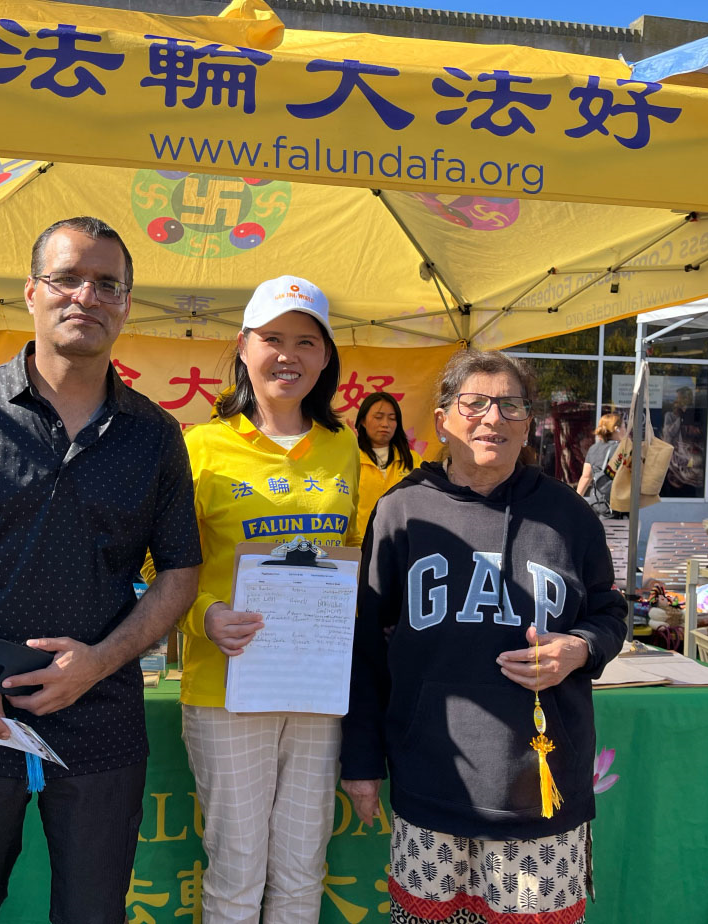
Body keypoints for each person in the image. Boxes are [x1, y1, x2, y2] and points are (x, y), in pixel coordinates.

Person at [0, 216, 201, 924]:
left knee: (94, 911)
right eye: (67, 278)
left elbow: (180, 573)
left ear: (125, 304)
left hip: (101, 713)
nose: (87, 296)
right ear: (31, 292)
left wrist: (101, 661)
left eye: (107, 284)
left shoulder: (154, 435)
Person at [339, 349, 625, 924]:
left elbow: (609, 612)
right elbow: (365, 648)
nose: (492, 418)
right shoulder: (401, 512)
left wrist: (581, 648)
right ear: (443, 419)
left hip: (540, 786)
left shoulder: (570, 515)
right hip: (431, 777)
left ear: (528, 422)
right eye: (474, 403)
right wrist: (362, 762)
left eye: (510, 405)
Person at [179, 275, 361, 924]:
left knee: (302, 870)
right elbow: (157, 563)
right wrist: (206, 615)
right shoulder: (200, 447)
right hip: (228, 688)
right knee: (236, 872)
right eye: (273, 339)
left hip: (316, 689)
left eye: (306, 342)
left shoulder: (343, 446)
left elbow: (351, 547)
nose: (289, 355)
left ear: (325, 356)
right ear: (243, 347)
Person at [354, 391, 420, 533]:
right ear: (363, 421)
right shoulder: (352, 458)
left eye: (392, 418)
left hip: (402, 539)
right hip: (360, 540)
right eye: (378, 417)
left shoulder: (413, 460)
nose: (385, 424)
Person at [575, 411, 624, 518]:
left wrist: (575, 500)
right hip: (617, 505)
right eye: (624, 426)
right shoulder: (622, 449)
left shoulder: (593, 448)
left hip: (596, 502)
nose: (626, 430)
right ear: (617, 429)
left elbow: (586, 477)